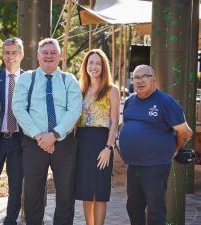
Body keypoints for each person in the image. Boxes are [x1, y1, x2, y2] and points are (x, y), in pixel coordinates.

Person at [12, 38, 82, 225]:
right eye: (45, 52)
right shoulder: (27, 79)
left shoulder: (69, 80)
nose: (49, 56)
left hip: (64, 144)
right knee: (33, 193)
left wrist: (54, 135)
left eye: (53, 52)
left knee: (66, 193)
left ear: (59, 56)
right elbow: (18, 108)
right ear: (38, 56)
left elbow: (74, 109)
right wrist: (39, 136)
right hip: (34, 143)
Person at [119, 65, 193, 225]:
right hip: (134, 165)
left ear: (154, 78)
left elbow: (185, 132)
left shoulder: (165, 101)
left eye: (145, 76)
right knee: (133, 207)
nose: (140, 80)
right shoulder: (130, 101)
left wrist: (175, 150)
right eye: (136, 77)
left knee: (155, 209)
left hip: (156, 166)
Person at [76, 49, 120, 225]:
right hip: (82, 144)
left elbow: (115, 122)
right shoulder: (79, 90)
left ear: (104, 67)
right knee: (86, 192)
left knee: (100, 193)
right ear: (85, 66)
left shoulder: (111, 90)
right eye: (90, 63)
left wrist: (108, 148)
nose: (94, 66)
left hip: (102, 143)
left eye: (98, 63)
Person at [0, 37, 24, 225]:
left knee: (16, 185)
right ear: (2, 55)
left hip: (19, 140)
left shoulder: (29, 79)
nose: (10, 56)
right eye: (7, 53)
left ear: (21, 54)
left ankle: (10, 221)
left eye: (14, 52)